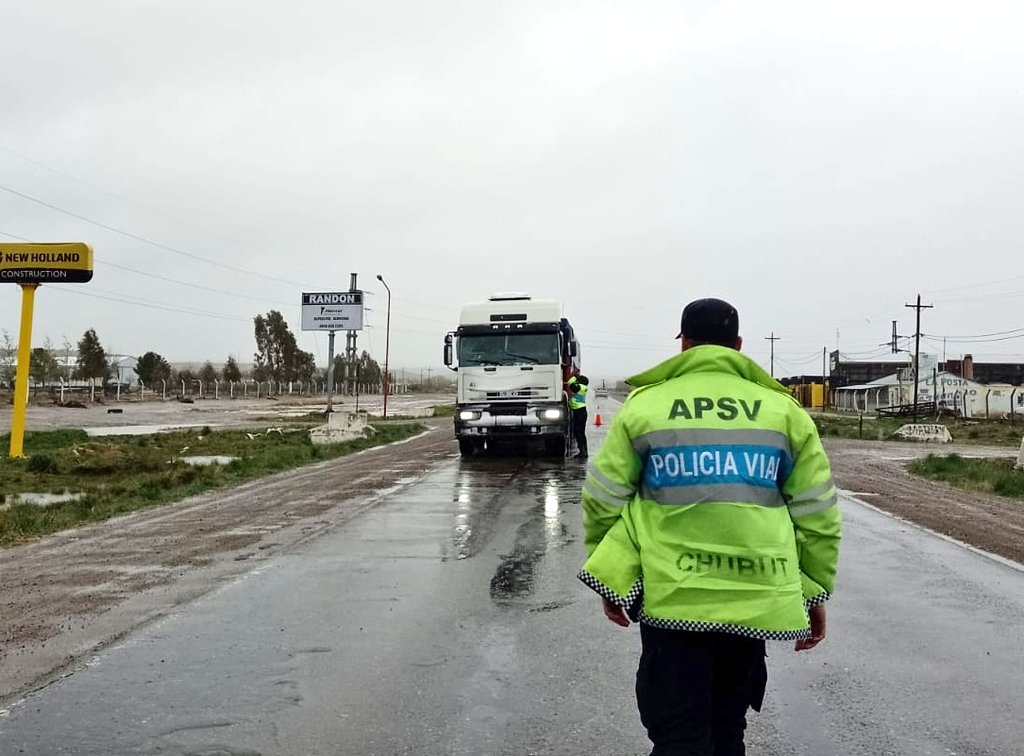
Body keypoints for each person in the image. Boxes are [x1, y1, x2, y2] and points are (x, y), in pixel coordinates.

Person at [578, 298, 842, 756]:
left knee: (679, 738)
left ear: (683, 344)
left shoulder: (646, 407)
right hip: (753, 608)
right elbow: (817, 516)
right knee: (726, 733)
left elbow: (602, 500)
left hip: (672, 604)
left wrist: (611, 577)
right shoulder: (784, 412)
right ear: (738, 346)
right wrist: (814, 592)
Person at [566, 373, 590, 458]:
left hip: (579, 412)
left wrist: (573, 378)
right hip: (581, 411)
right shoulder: (583, 388)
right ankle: (584, 452)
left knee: (579, 432)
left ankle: (583, 452)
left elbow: (571, 385)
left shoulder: (580, 387)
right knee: (580, 432)